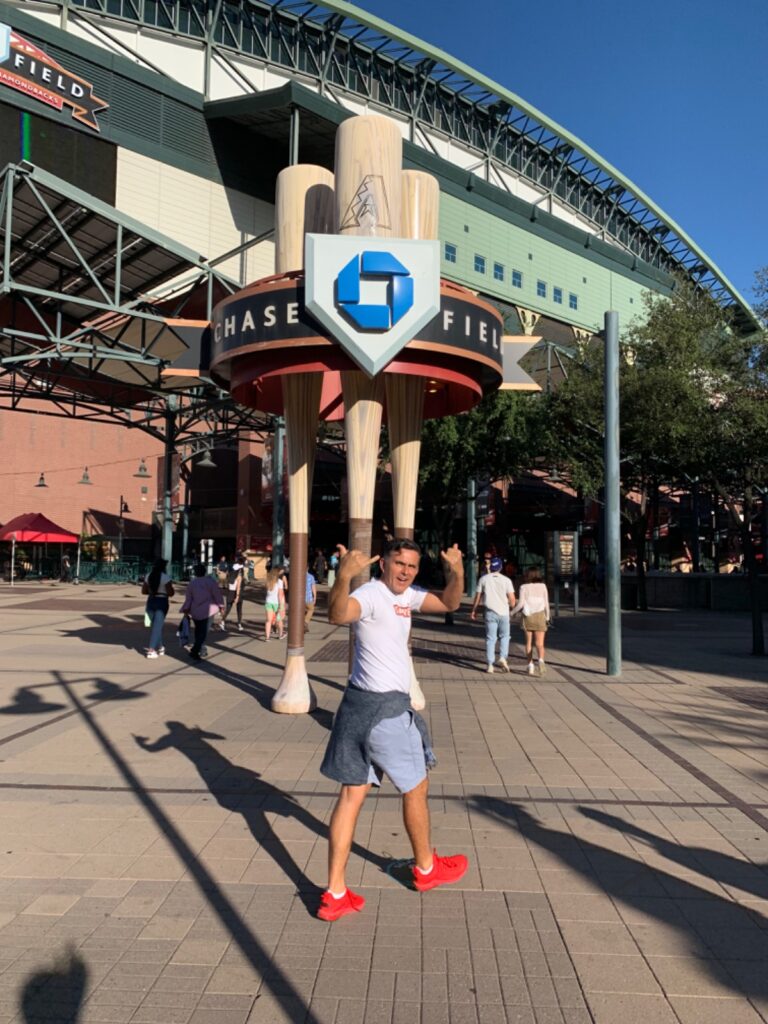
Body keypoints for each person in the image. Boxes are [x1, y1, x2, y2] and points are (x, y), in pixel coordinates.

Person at [318, 538, 468, 923]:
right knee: (416, 787)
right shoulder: (370, 594)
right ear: (383, 563)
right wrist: (343, 577)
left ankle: (334, 893)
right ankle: (426, 869)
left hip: (355, 708)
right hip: (384, 713)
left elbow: (450, 603)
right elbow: (338, 615)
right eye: (398, 563)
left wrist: (458, 572)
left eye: (412, 566)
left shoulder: (407, 597)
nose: (405, 571)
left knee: (351, 796)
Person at [470, 555, 516, 673]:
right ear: (501, 567)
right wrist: (512, 609)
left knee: (490, 639)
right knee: (505, 637)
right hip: (504, 613)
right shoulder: (507, 580)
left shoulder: (483, 579)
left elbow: (478, 596)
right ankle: (502, 657)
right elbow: (512, 599)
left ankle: (490, 664)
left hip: (490, 612)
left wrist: (474, 610)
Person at [180, 564, 224, 661]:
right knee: (204, 632)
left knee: (198, 630)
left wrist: (186, 609)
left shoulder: (192, 584)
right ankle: (196, 650)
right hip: (209, 610)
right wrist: (221, 606)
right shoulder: (211, 582)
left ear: (195, 573)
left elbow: (188, 599)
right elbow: (217, 595)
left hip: (195, 610)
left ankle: (199, 649)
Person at [515, 567, 550, 676]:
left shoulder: (523, 587)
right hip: (540, 616)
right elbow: (546, 604)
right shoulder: (543, 586)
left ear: (527, 575)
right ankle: (541, 661)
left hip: (528, 616)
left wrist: (512, 613)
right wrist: (547, 617)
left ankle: (530, 665)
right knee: (540, 644)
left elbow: (520, 604)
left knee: (528, 643)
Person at [142, 558, 174, 658]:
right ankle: (151, 650)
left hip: (151, 601)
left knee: (153, 625)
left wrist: (152, 591)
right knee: (158, 625)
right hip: (162, 601)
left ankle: (160, 647)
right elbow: (171, 593)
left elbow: (143, 591)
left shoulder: (148, 576)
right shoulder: (165, 578)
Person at [222, 552, 246, 632]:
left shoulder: (231, 567)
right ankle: (239, 624)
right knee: (239, 608)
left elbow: (227, 576)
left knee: (228, 607)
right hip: (236, 590)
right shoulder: (240, 569)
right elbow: (239, 584)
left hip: (230, 589)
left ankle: (222, 621)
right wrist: (238, 595)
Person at [263, 565, 286, 640]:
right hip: (276, 603)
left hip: (268, 602)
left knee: (268, 620)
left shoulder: (268, 581)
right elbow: (280, 594)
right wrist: (281, 605)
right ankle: (280, 634)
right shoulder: (279, 582)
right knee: (279, 620)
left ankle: (267, 637)